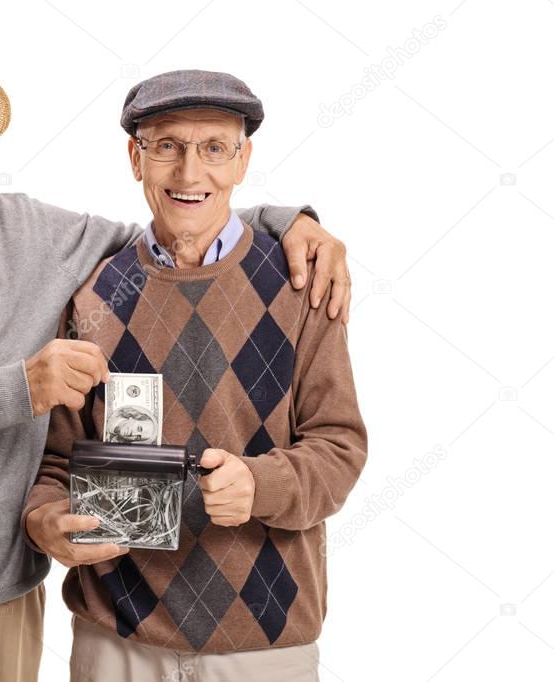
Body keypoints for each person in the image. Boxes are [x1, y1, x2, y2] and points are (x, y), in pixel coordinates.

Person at [0, 11, 354, 682]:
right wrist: (22, 388)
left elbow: (172, 230)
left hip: (2, 602)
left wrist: (286, 223)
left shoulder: (33, 234)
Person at [23, 70, 367, 682]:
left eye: (214, 148)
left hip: (265, 643)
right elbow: (57, 460)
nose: (189, 173)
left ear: (244, 160)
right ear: (136, 158)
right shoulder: (93, 294)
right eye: (166, 147)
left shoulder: (302, 285)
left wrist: (259, 485)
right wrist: (45, 517)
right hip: (116, 639)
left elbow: (340, 451)